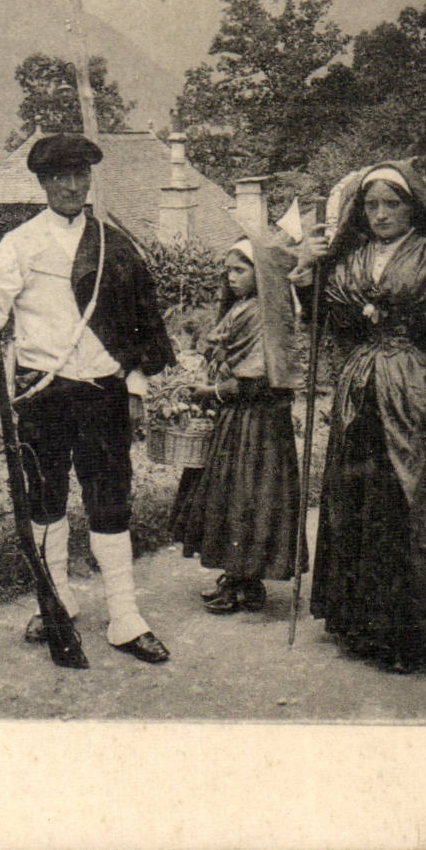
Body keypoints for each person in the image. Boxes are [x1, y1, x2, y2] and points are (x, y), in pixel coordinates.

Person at [0, 133, 175, 664]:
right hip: (43, 394)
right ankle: (56, 603)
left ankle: (125, 617)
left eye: (81, 176)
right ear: (43, 184)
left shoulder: (114, 244)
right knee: (46, 503)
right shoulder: (19, 244)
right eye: (60, 178)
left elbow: (144, 326)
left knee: (110, 503)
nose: (72, 186)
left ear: (90, 180)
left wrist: (136, 388)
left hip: (103, 393)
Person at [294, 161, 426, 672]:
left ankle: (415, 634)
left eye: (392, 204)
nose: (380, 215)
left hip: (416, 392)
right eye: (371, 205)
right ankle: (362, 622)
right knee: (361, 500)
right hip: (361, 395)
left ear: (412, 207)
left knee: (414, 502)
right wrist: (308, 274)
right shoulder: (353, 257)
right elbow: (330, 320)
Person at [169, 236, 305, 614]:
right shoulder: (240, 308)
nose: (231, 277)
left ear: (261, 273)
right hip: (236, 421)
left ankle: (247, 581)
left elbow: (257, 380)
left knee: (250, 497)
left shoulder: (265, 314)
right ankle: (236, 576)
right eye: (228, 269)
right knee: (227, 497)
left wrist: (213, 391)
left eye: (240, 269)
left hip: (258, 423)